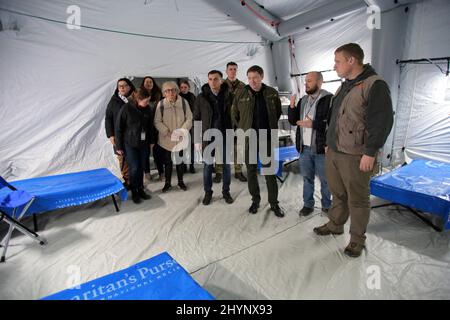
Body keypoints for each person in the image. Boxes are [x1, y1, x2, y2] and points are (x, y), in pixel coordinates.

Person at [313, 43, 394, 258]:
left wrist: (370, 152)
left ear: (351, 60)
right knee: (337, 193)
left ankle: (357, 240)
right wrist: (329, 143)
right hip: (335, 152)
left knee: (357, 199)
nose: (334, 66)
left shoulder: (374, 85)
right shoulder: (344, 86)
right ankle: (335, 224)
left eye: (338, 61)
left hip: (357, 155)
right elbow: (335, 117)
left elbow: (382, 121)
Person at [231, 65, 284, 218]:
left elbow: (277, 113)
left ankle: (274, 203)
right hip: (249, 140)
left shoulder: (271, 93)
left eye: (255, 77)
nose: (252, 81)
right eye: (249, 78)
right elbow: (234, 115)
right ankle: (255, 200)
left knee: (269, 172)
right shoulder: (240, 93)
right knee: (252, 171)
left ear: (261, 76)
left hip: (266, 138)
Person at [288, 72, 332, 216]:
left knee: (326, 180)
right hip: (304, 149)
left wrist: (313, 124)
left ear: (319, 82)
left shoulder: (329, 99)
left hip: (321, 149)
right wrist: (292, 106)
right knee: (307, 178)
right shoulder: (304, 100)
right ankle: (308, 204)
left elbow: (332, 124)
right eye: (305, 81)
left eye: (309, 81)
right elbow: (293, 121)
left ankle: (327, 205)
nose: (306, 84)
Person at [193, 70, 234, 206]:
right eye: (210, 79)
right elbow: (196, 119)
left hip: (225, 134)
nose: (212, 82)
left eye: (215, 79)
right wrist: (197, 140)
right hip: (207, 136)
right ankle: (208, 192)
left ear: (221, 80)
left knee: (226, 165)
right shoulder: (201, 97)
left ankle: (226, 191)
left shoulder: (229, 95)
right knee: (207, 165)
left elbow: (235, 116)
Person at [115, 88, 154, 204]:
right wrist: (119, 147)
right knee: (135, 167)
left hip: (143, 143)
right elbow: (118, 129)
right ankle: (135, 191)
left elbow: (150, 127)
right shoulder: (126, 108)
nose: (147, 103)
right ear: (138, 99)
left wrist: (152, 141)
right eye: (145, 101)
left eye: (148, 101)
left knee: (141, 166)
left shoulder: (148, 109)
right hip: (129, 143)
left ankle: (141, 189)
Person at [154, 81, 193, 193]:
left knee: (179, 161)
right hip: (166, 139)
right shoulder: (161, 105)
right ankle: (168, 183)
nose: (170, 92)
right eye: (167, 91)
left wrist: (181, 131)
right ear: (164, 93)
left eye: (173, 90)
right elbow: (157, 121)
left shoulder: (184, 103)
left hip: (180, 138)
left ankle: (180, 182)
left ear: (177, 91)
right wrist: (167, 132)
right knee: (167, 162)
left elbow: (189, 118)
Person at [216, 61, 247, 183]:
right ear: (226, 71)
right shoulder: (221, 85)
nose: (232, 71)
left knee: (238, 147)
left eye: (235, 69)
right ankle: (218, 172)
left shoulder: (243, 86)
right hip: (224, 121)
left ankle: (238, 171)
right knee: (220, 147)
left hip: (238, 122)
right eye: (230, 69)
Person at [105, 78, 135, 189]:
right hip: (119, 136)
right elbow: (108, 118)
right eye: (119, 86)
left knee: (134, 159)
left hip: (133, 136)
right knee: (122, 158)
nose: (121, 87)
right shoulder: (113, 101)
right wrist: (110, 135)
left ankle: (136, 180)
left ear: (129, 87)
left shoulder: (135, 99)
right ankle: (127, 181)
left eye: (124, 85)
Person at [179, 79, 197, 174]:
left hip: (191, 125)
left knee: (191, 146)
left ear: (188, 88)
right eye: (181, 87)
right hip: (181, 125)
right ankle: (183, 166)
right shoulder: (178, 97)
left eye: (185, 87)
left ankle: (191, 165)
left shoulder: (192, 96)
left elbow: (195, 110)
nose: (183, 89)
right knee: (182, 146)